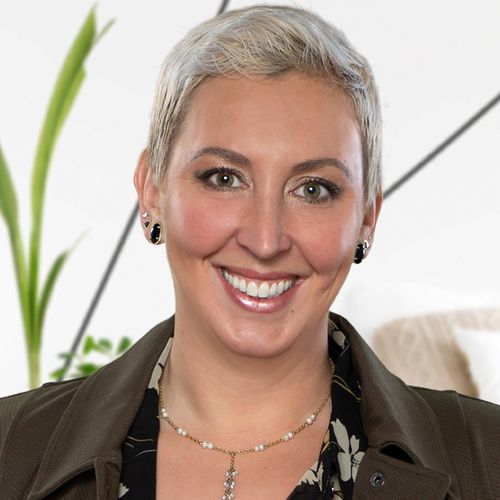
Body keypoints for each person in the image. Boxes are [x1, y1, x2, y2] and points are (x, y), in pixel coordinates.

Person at [1, 5, 499, 500]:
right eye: (224, 179)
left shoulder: (489, 459)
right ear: (152, 189)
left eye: (313, 190)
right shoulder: (9, 447)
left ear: (367, 216)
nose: (265, 241)